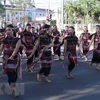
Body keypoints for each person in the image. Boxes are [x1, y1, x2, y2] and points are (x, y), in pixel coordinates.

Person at [0, 24, 21, 97]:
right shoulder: (4, 40)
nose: (7, 31)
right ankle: (15, 90)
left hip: (15, 59)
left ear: (13, 30)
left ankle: (11, 86)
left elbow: (16, 49)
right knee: (10, 75)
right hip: (7, 60)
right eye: (6, 30)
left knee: (14, 75)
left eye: (9, 30)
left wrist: (12, 56)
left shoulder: (17, 40)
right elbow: (1, 50)